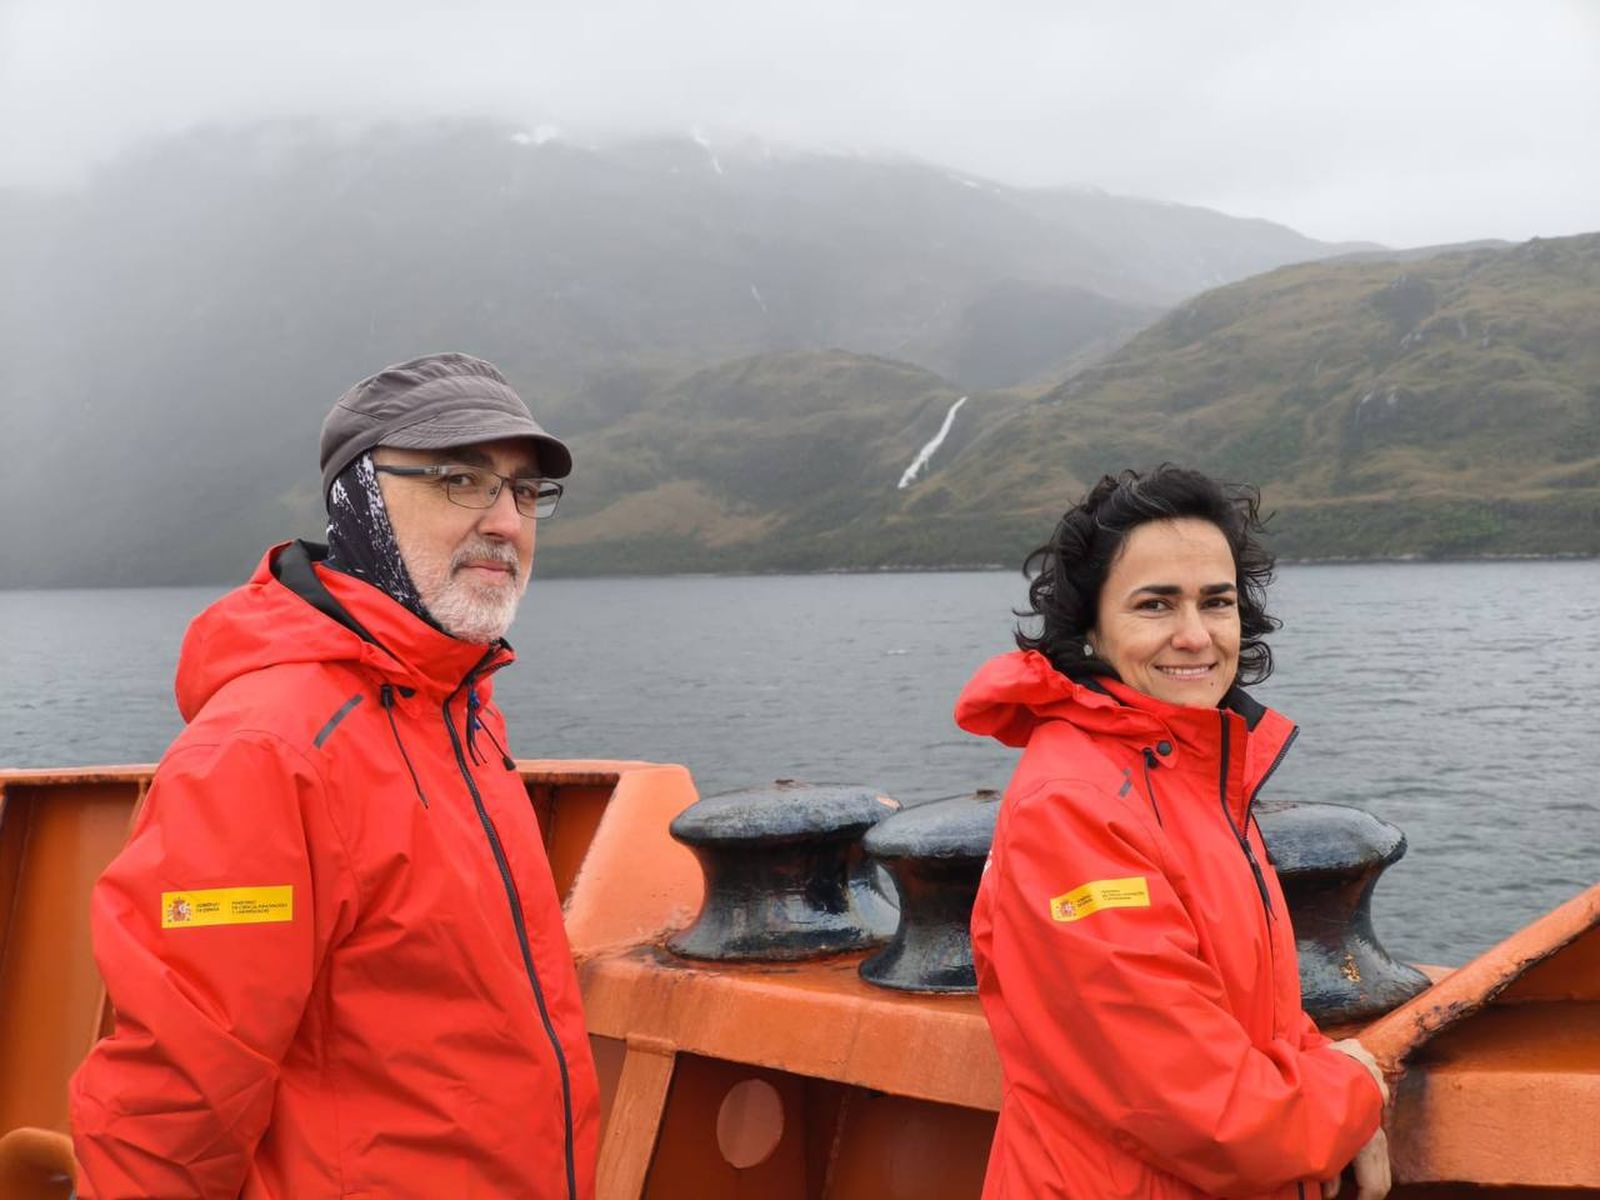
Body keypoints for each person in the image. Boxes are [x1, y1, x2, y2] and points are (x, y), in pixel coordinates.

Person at [69, 353, 600, 1199]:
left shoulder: (457, 712)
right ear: (360, 499)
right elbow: (176, 1095)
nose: (506, 520)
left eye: (524, 491)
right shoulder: (266, 753)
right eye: (461, 480)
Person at [956, 465, 1390, 1200]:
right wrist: (1353, 1096)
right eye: (1155, 605)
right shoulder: (1073, 807)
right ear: (1090, 628)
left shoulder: (1185, 773)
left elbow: (1253, 1012)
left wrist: (1323, 1067)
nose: (1195, 636)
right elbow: (1194, 1106)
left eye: (1215, 603)